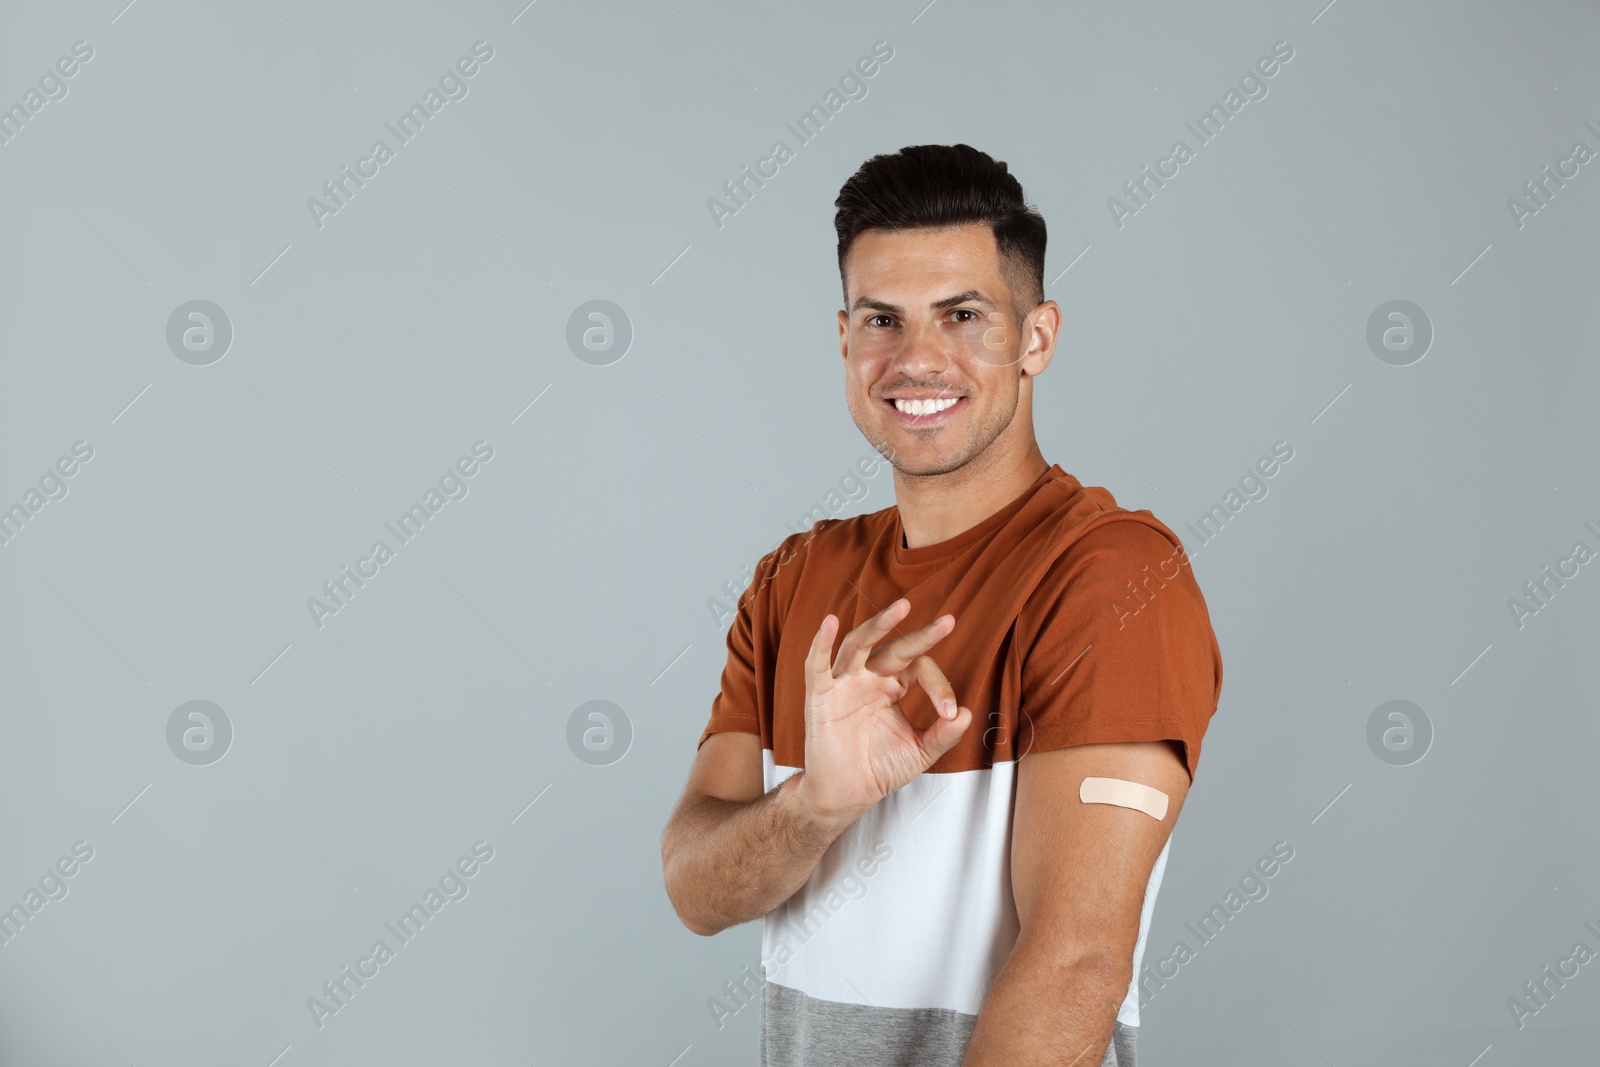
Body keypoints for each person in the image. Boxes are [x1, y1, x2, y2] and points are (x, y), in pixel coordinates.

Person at [660, 143, 1224, 1067]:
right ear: (844, 340)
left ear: (1036, 336)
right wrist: (815, 805)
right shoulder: (793, 579)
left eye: (962, 315)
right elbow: (696, 892)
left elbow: (1076, 962)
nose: (917, 359)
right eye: (883, 318)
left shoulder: (1111, 576)